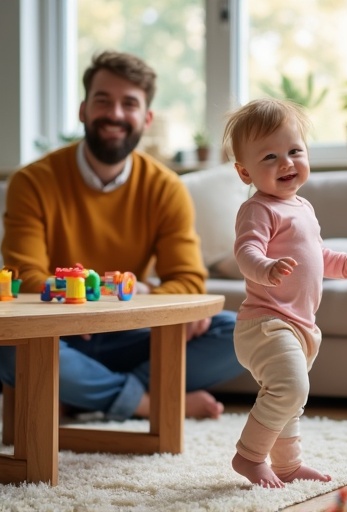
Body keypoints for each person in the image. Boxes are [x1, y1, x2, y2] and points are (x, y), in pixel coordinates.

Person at [0, 50, 244, 421]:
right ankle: (149, 403)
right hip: (54, 335)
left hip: (131, 331)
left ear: (146, 118)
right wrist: (89, 308)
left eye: (128, 104)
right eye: (103, 101)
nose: (114, 114)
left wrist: (129, 302)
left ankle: (83, 393)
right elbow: (25, 278)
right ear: (83, 110)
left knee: (242, 333)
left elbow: (190, 281)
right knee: (8, 348)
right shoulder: (32, 182)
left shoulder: (165, 188)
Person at [222, 98, 347, 488]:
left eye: (295, 151)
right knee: (291, 387)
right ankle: (249, 456)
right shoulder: (259, 209)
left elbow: (318, 256)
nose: (287, 163)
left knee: (291, 398)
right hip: (265, 323)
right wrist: (266, 269)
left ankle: (289, 465)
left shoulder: (303, 207)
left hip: (299, 325)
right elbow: (246, 252)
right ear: (245, 172)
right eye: (270, 157)